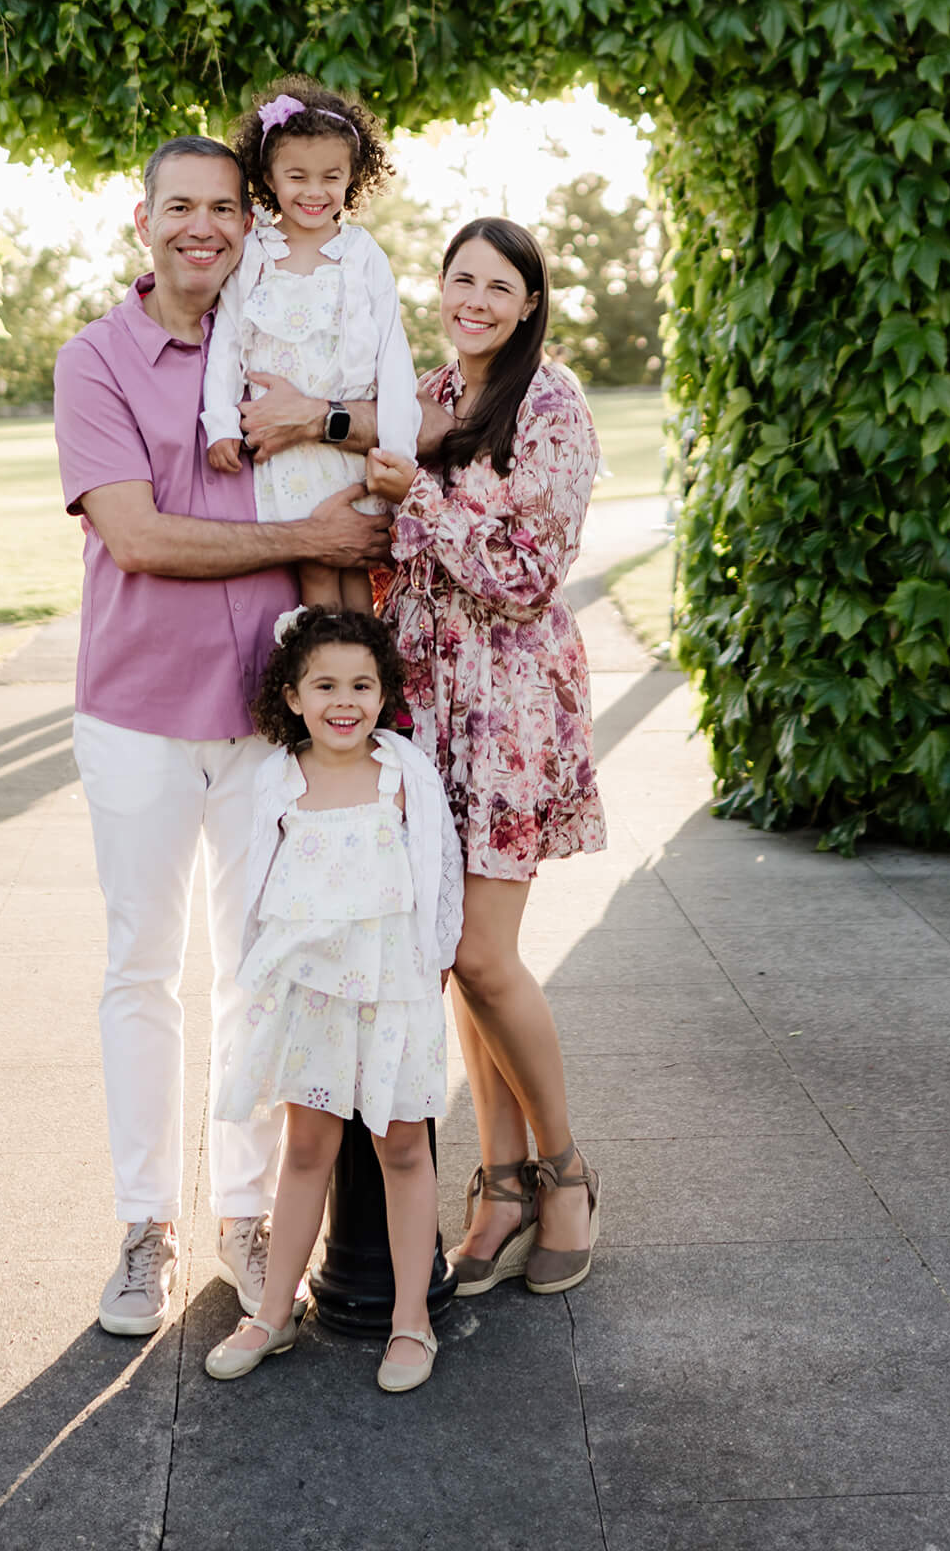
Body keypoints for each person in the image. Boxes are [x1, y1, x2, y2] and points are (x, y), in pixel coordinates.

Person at [54, 136, 391, 1340]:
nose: (205, 226)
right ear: (143, 218)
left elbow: (376, 459)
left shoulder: (275, 341)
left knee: (261, 973)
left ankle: (247, 1217)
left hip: (264, 721)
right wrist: (303, 534)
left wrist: (340, 456)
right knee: (141, 970)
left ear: (252, 223)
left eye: (226, 208)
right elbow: (140, 539)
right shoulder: (94, 360)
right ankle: (145, 1228)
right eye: (180, 206)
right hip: (137, 715)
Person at [366, 216, 605, 1300]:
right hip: (428, 700)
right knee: (450, 946)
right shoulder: (427, 394)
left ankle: (564, 1174)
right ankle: (499, 1183)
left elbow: (522, 575)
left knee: (481, 952)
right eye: (459, 278)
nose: (472, 299)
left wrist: (413, 490)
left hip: (509, 703)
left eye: (496, 285)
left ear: (528, 302)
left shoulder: (550, 403)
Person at [205, 606, 462, 1394]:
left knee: (402, 1146)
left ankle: (410, 1321)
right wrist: (257, 985)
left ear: (384, 695)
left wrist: (437, 958)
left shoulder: (403, 773)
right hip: (311, 992)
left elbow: (439, 870)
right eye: (324, 685)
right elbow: (254, 887)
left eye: (361, 684)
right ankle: (271, 1312)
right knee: (307, 1147)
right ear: (291, 696)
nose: (343, 701)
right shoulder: (278, 778)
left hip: (393, 986)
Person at [202, 76, 420, 613]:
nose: (314, 191)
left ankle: (362, 683)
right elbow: (226, 340)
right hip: (285, 449)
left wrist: (398, 446)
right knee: (318, 567)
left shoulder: (362, 252)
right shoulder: (254, 251)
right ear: (269, 177)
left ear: (353, 177)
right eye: (297, 176)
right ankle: (325, 683)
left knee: (359, 566)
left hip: (347, 447)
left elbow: (393, 350)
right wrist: (222, 424)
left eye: (331, 176)